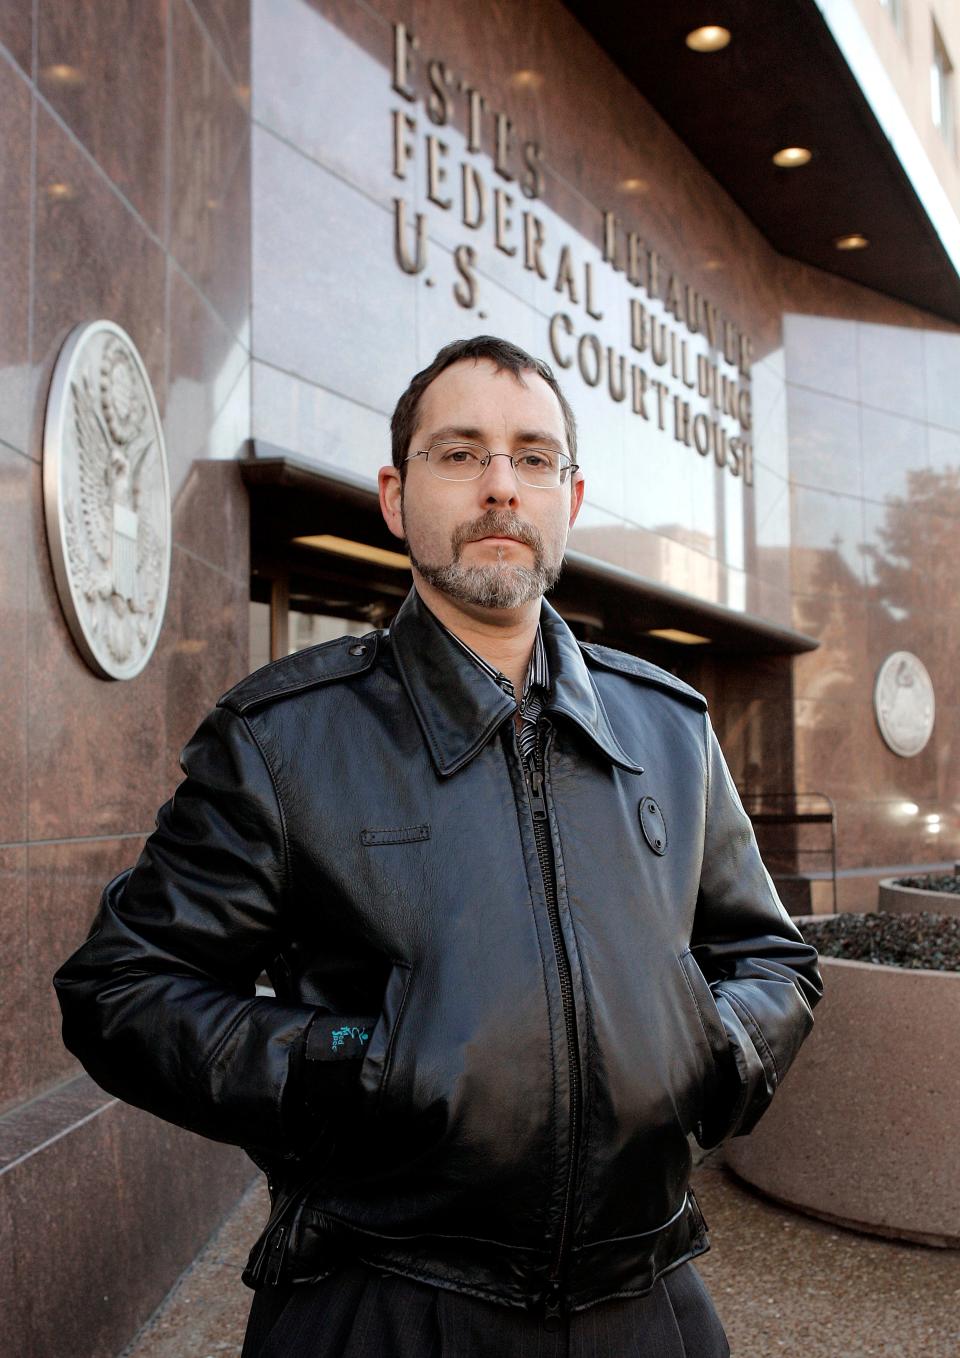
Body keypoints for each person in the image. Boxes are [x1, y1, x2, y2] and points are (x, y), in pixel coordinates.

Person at [55, 336, 823, 1357]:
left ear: (571, 498)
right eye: (459, 453)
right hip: (385, 1301)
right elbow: (121, 987)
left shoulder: (668, 730)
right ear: (394, 492)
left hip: (648, 1302)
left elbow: (773, 959)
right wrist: (349, 1067)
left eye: (532, 457)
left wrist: (708, 1047)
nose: (501, 485)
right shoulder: (284, 739)